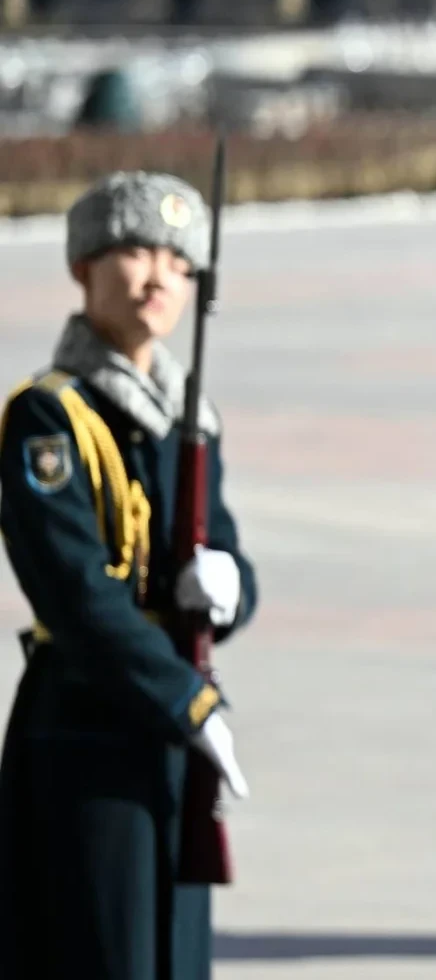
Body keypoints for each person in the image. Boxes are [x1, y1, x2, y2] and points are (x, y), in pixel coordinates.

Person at [0, 171, 256, 980]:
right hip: (89, 725)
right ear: (84, 266)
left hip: (173, 727)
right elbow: (76, 593)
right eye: (138, 252)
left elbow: (226, 548)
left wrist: (230, 588)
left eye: (179, 264)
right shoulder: (50, 416)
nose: (159, 279)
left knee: (175, 957)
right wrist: (190, 702)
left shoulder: (187, 417)